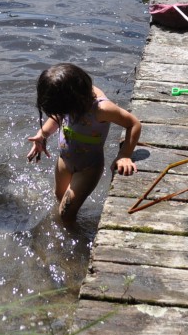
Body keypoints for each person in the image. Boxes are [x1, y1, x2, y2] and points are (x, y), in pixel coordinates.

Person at [26, 63, 141, 226]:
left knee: (65, 214)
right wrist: (42, 134)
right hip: (64, 161)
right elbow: (56, 116)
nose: (60, 115)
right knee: (59, 199)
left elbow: (134, 124)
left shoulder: (101, 109)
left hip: (88, 168)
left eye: (63, 110)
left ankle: (74, 240)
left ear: (74, 100)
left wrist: (124, 155)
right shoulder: (70, 97)